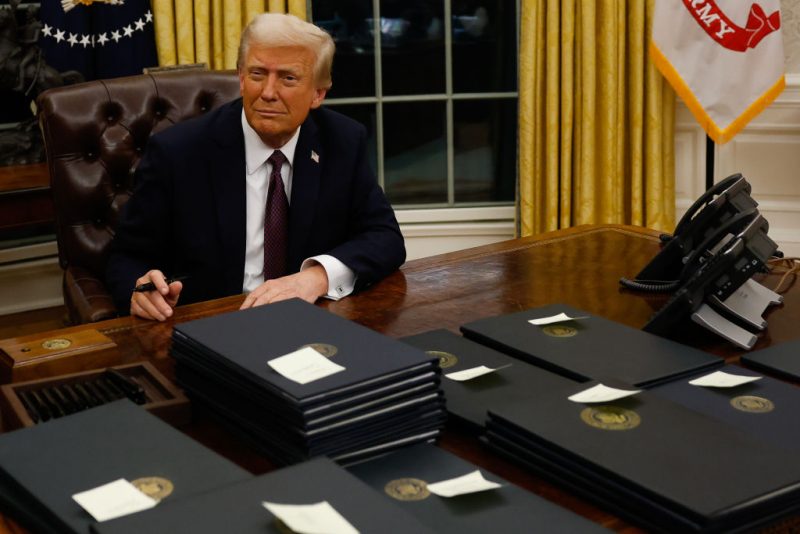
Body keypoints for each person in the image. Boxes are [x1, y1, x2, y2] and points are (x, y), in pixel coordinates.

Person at [106, 13, 405, 321]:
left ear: (318, 93)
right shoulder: (178, 153)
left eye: (288, 78)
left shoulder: (342, 141)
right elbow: (126, 257)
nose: (268, 93)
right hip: (211, 323)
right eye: (258, 74)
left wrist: (316, 277)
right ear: (241, 77)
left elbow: (385, 237)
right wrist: (138, 290)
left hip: (310, 319)